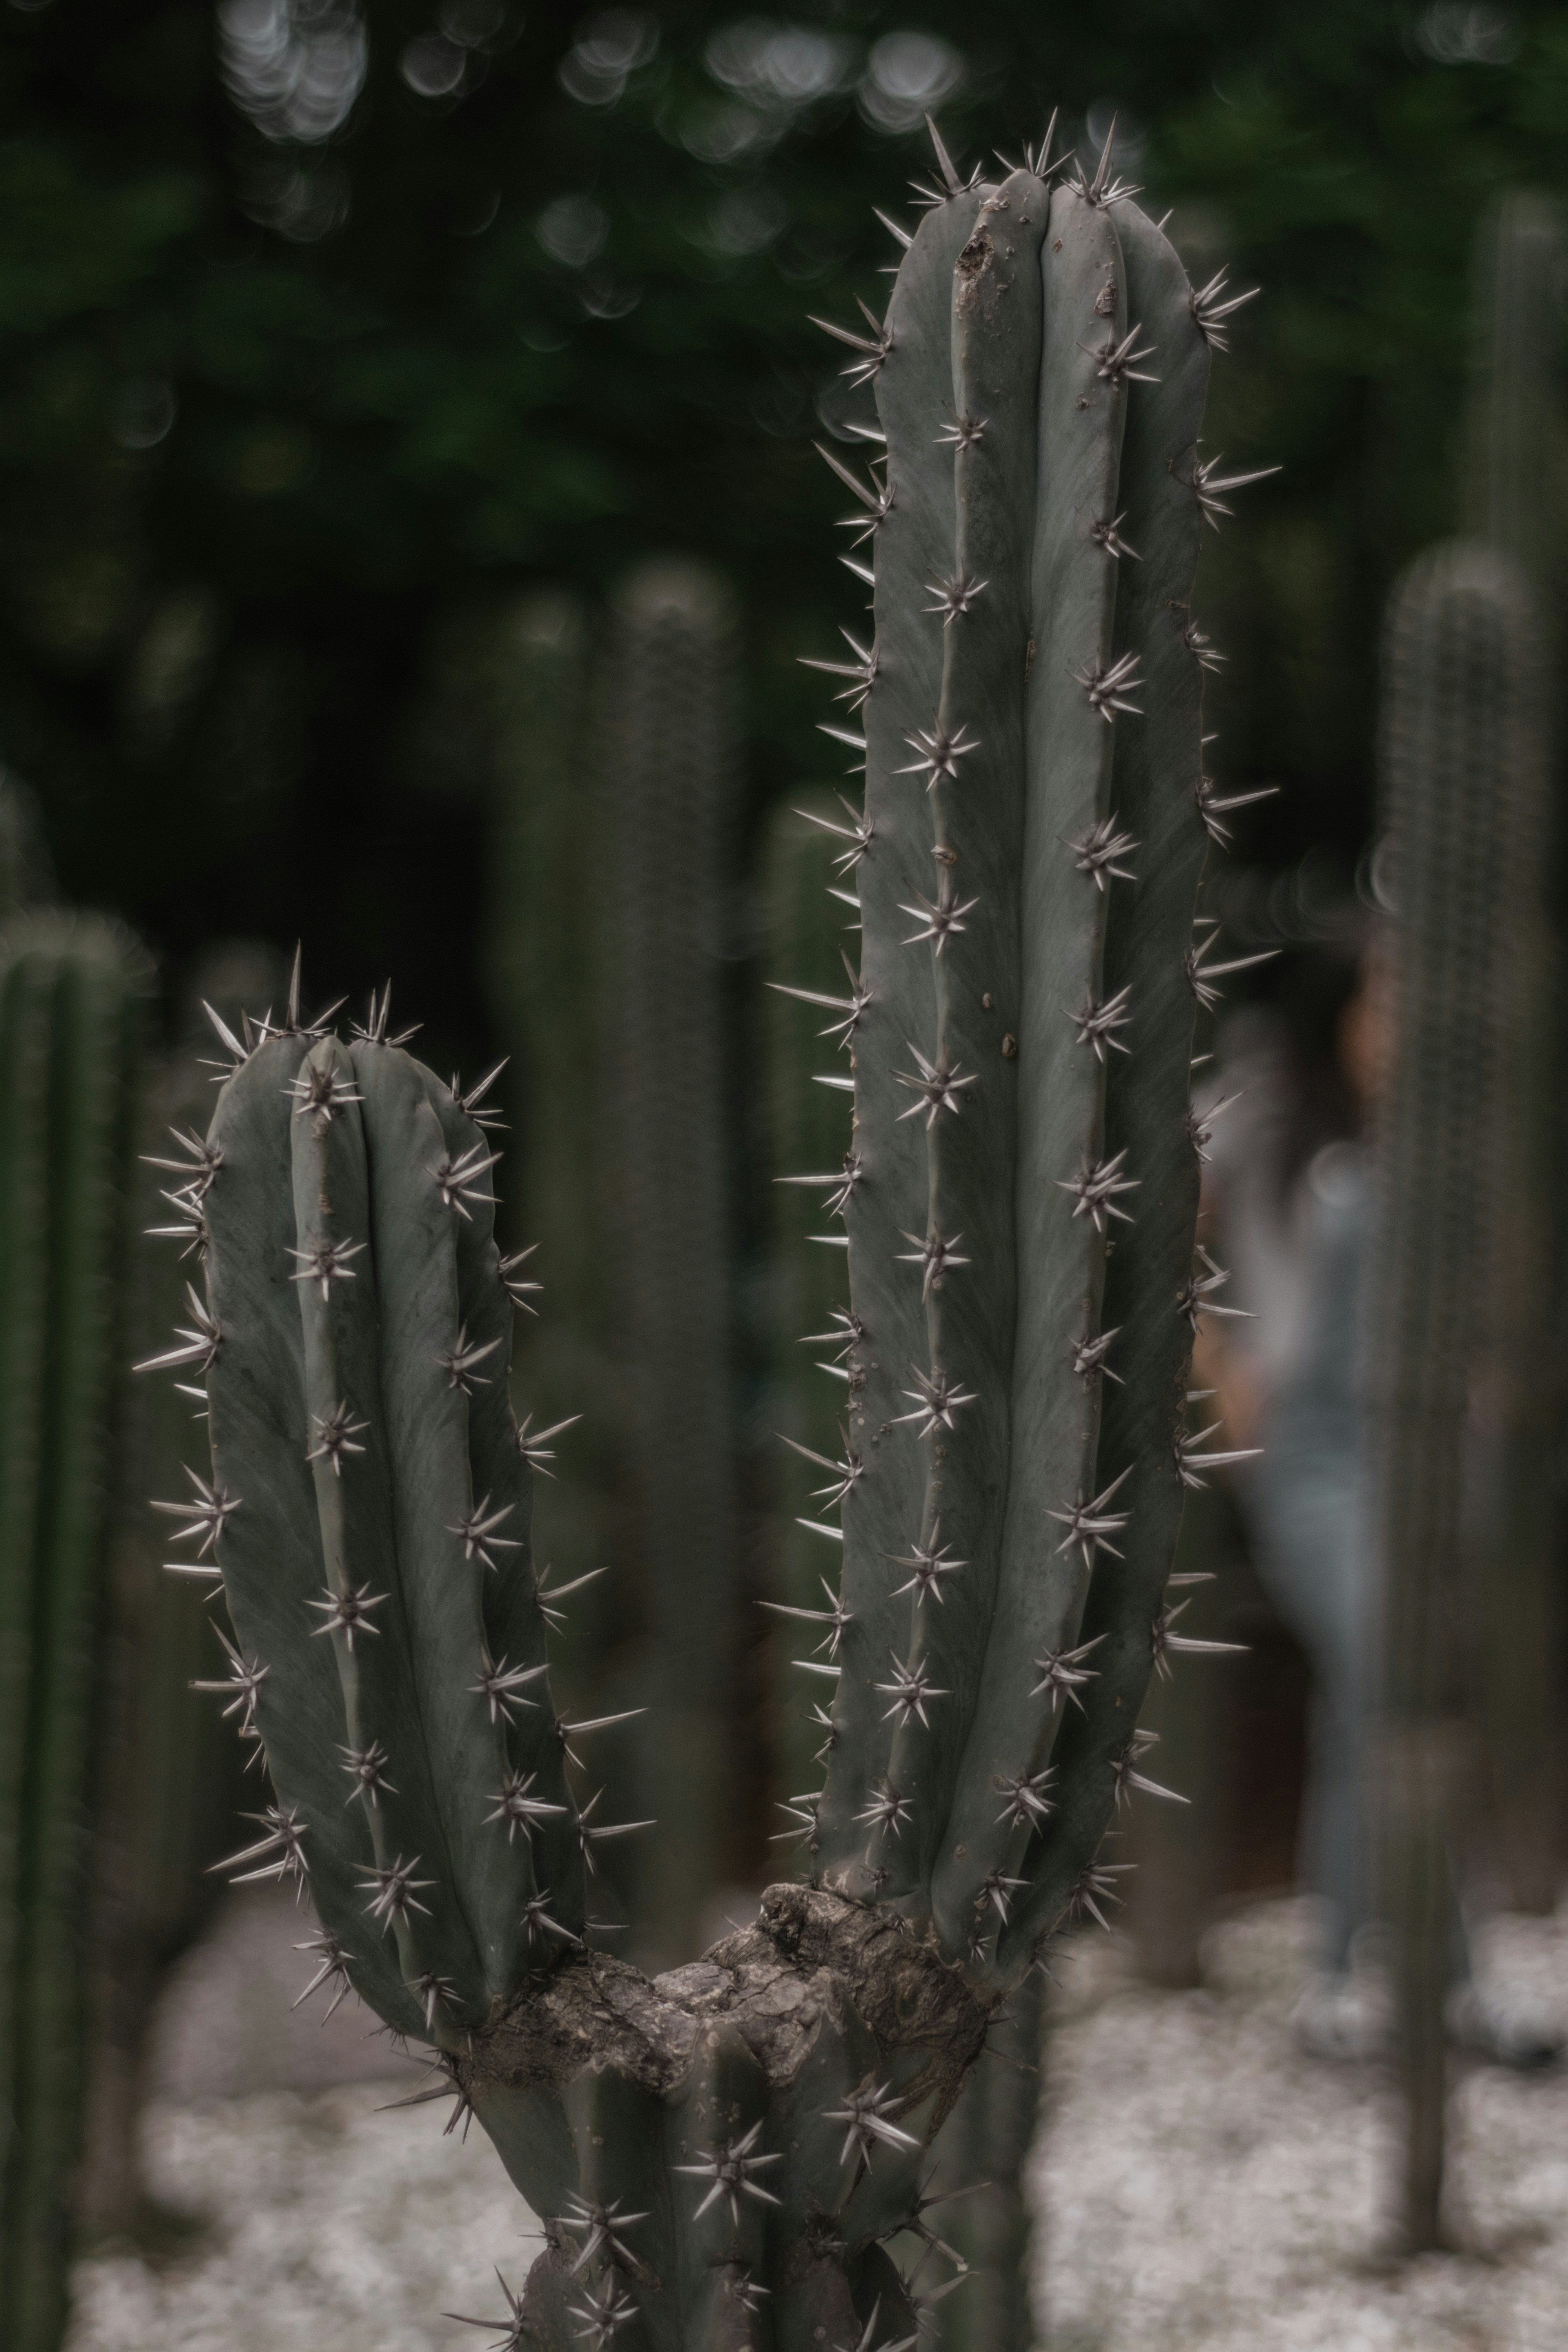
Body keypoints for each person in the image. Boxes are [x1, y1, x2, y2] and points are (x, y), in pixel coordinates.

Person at [1196, 929, 1559, 2066]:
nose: (1405, 1026)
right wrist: (1213, 1371)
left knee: (1393, 1701)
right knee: (1386, 1673)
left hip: (1435, 1457)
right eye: (1387, 1000)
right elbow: (1133, 1220)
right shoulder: (1259, 1117)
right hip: (1309, 1456)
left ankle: (1384, 1982)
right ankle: (1394, 1979)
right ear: (1341, 1011)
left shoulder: (1439, 1138)